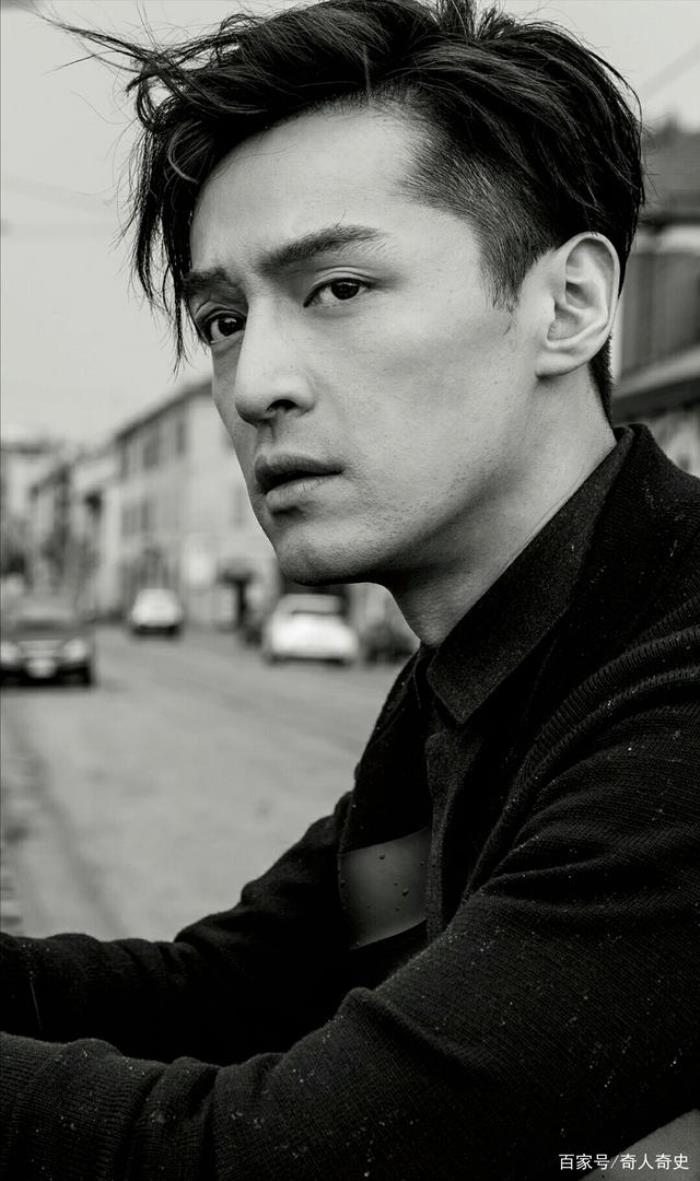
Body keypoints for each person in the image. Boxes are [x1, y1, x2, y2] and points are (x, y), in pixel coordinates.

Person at [1, 1, 699, 1177]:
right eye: (224, 320)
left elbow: (300, 1153)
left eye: (337, 288)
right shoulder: (483, 666)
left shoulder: (673, 697)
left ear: (571, 304)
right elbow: (219, 993)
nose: (254, 383)